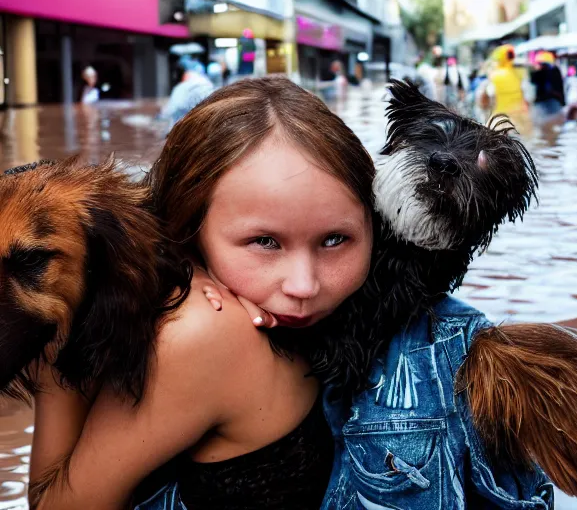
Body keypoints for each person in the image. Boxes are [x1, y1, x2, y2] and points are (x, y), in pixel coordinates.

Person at [28, 77, 376, 510]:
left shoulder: (206, 331)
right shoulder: (205, 329)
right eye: (265, 242)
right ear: (189, 231)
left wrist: (57, 352)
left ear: (374, 225)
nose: (304, 287)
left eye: (334, 240)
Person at [159, 57, 214, 129]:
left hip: (185, 129)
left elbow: (171, 109)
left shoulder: (183, 87)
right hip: (205, 125)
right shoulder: (207, 84)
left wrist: (161, 113)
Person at [486, 45, 527, 117]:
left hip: (503, 115)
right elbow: (527, 92)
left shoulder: (494, 75)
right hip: (520, 113)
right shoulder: (519, 72)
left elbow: (490, 93)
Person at [529, 51, 565, 116]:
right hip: (547, 100)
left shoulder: (553, 71)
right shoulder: (541, 72)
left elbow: (559, 85)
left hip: (552, 99)